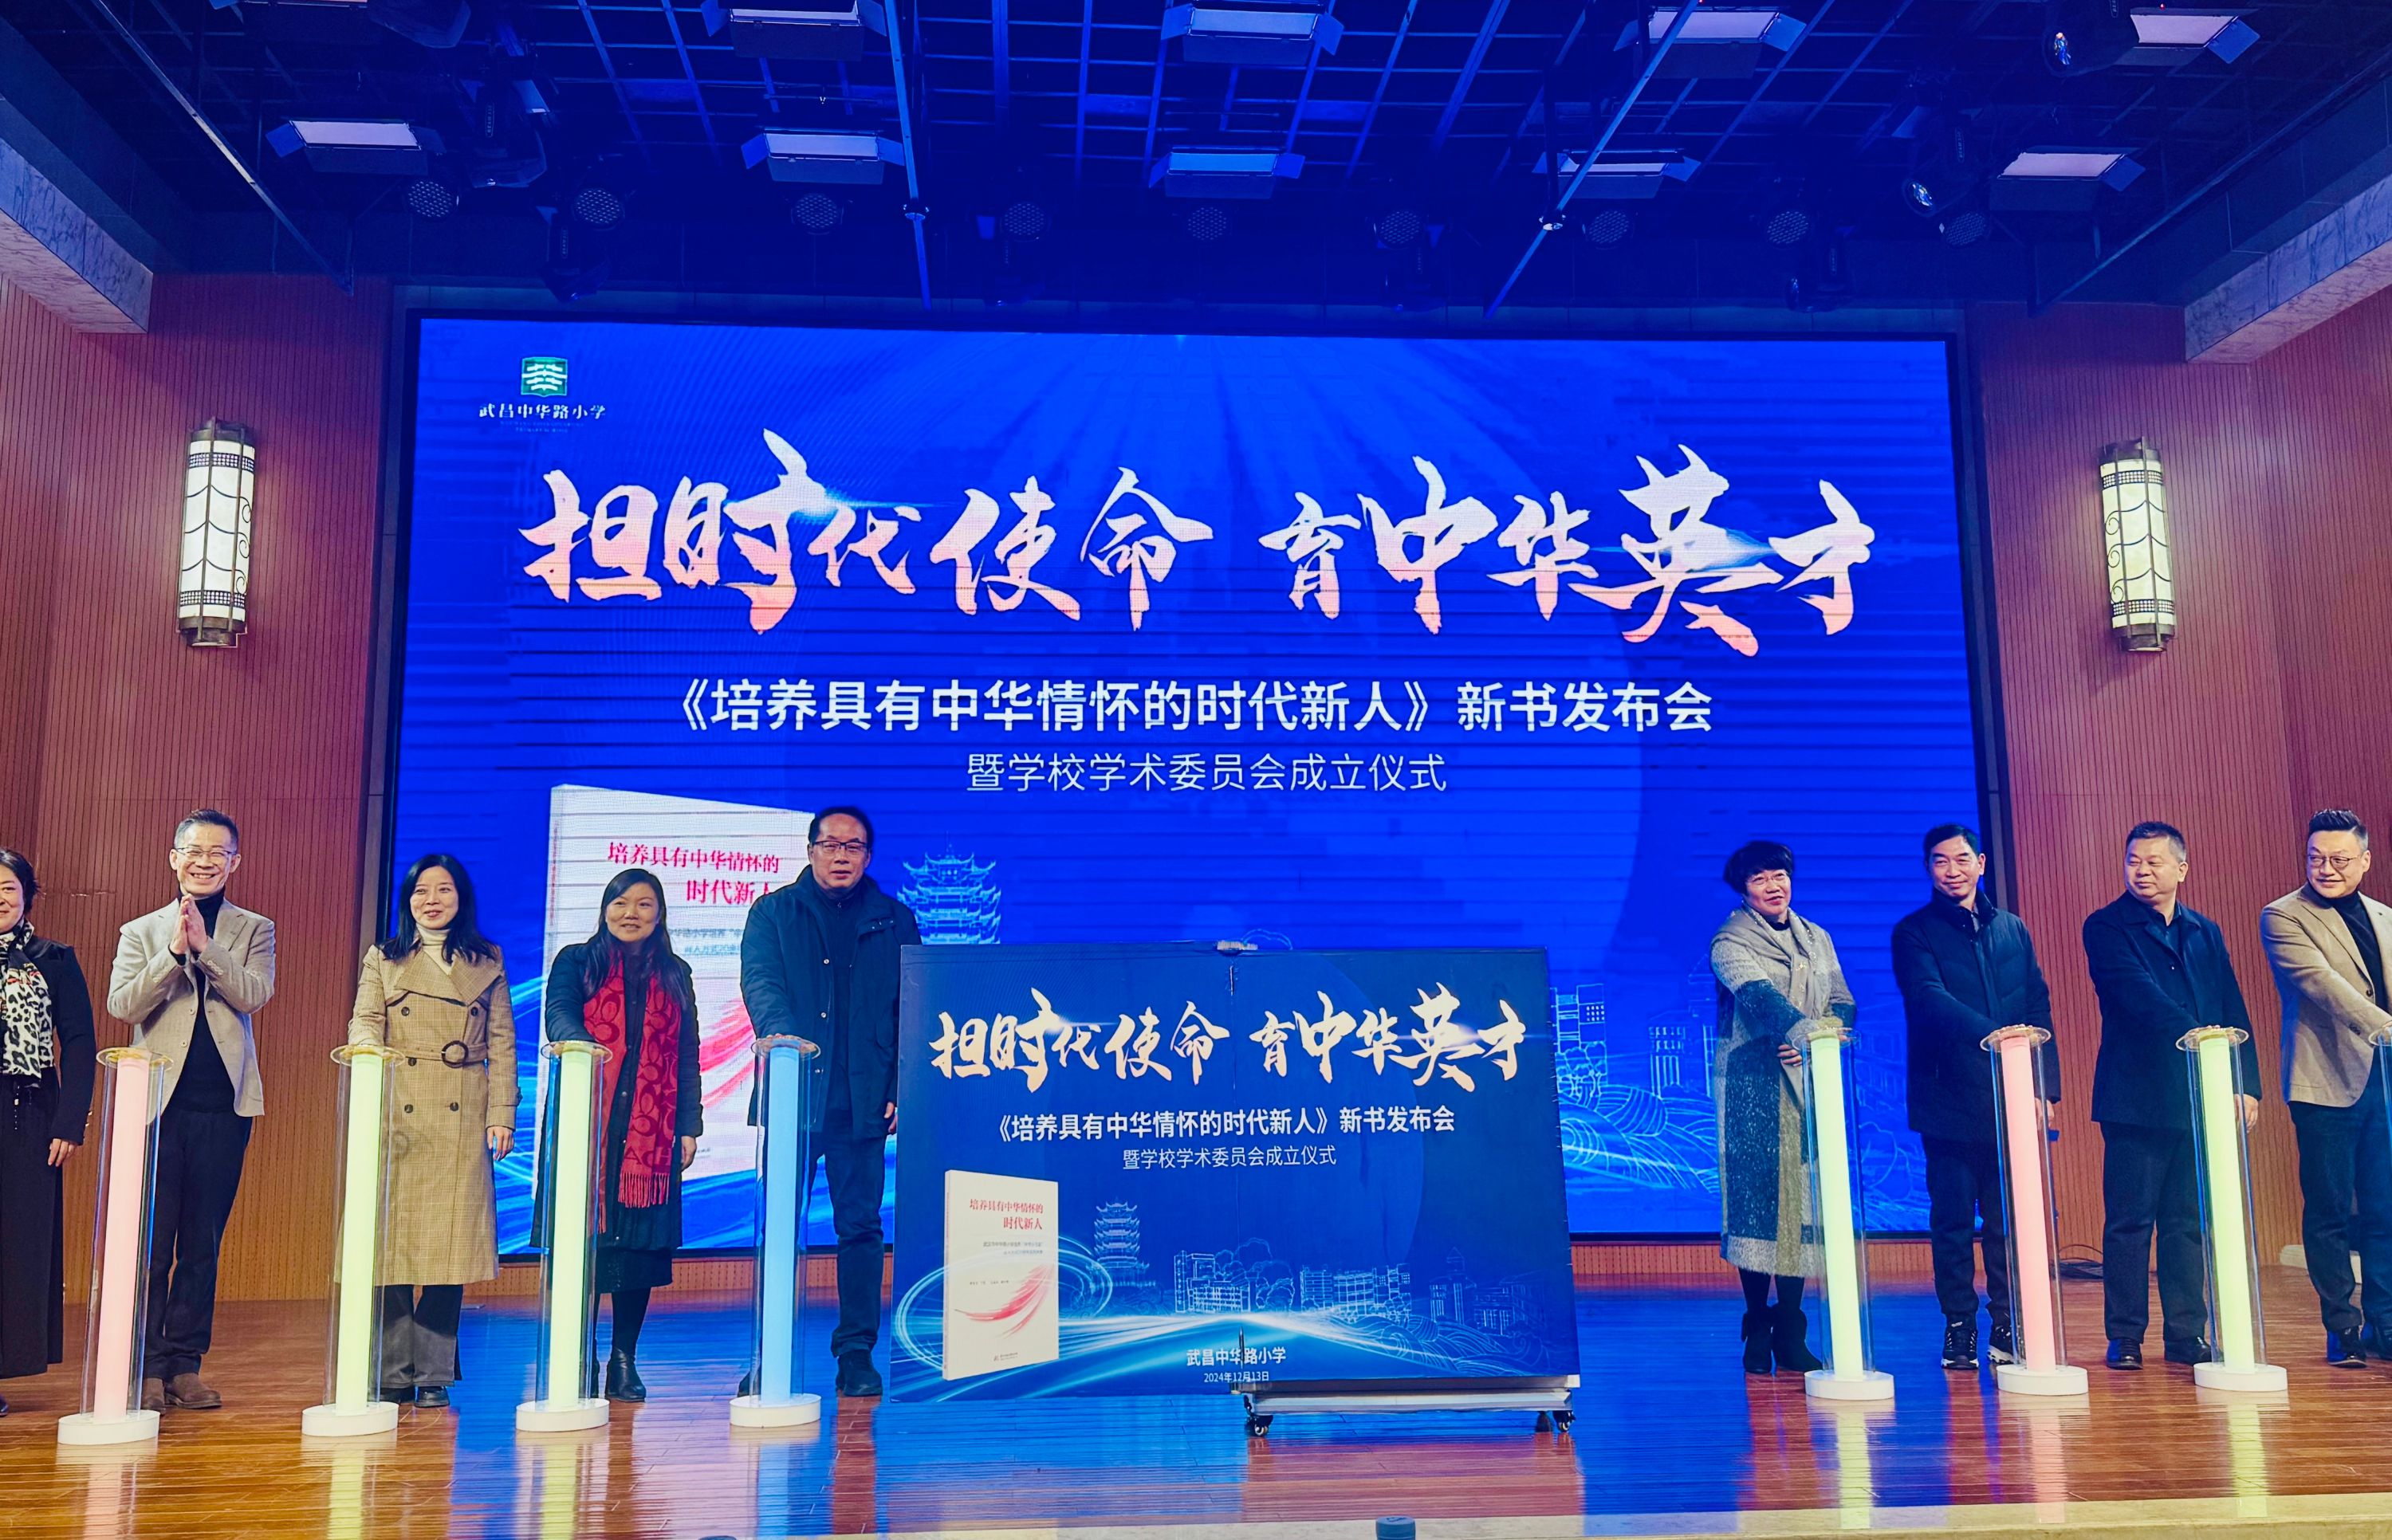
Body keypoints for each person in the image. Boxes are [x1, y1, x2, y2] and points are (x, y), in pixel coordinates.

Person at [740, 806, 921, 1398]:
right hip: (794, 1096)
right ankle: (768, 1354)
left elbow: (911, 1009)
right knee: (778, 1228)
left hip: (863, 1102)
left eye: (854, 846)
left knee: (861, 1229)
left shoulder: (895, 920)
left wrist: (898, 1088)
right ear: (811, 849)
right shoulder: (773, 913)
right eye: (831, 844)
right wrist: (783, 1042)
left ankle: (856, 1354)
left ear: (869, 856)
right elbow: (760, 983)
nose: (841, 855)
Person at [105, 809, 275, 1413]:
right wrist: (174, 953)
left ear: (235, 862)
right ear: (174, 858)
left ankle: (185, 1365)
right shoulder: (140, 930)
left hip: (224, 1107)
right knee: (153, 1245)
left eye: (217, 853)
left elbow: (254, 994)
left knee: (202, 1244)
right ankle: (147, 1368)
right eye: (194, 851)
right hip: (157, 1107)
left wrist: (207, 950)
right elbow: (124, 1005)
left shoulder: (255, 928)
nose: (205, 862)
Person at [2084, 819, 2260, 1371]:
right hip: (2135, 1099)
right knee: (2130, 1223)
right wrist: (2199, 1035)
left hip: (2196, 1096)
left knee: (2186, 1223)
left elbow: (2231, 1005)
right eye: (2133, 860)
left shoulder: (2204, 930)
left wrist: (2244, 1083)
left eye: (2154, 861)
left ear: (2182, 868)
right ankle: (2125, 1337)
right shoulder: (2106, 926)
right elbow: (2136, 994)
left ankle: (2187, 1334)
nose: (2141, 871)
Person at [347, 854, 517, 1408]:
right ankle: (394, 1371)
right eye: (422, 891)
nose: (432, 900)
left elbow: (503, 1042)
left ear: (461, 898)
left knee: (450, 1249)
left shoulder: (487, 959)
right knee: (392, 1247)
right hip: (398, 1111)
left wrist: (502, 1113)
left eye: (444, 890)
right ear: (409, 900)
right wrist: (365, 1052)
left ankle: (435, 1372)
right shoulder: (384, 957)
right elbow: (366, 1019)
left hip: (462, 1109)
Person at [1892, 823, 2060, 1373]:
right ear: (1929, 869)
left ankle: (2008, 1322)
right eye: (1940, 861)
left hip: (2010, 1096)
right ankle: (1959, 1325)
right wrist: (1998, 1035)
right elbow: (1927, 1000)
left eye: (1961, 859)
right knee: (1952, 1222)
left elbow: (2037, 1003)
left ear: (1981, 863)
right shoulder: (1913, 932)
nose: (1952, 870)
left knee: (2007, 1221)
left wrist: (2044, 1086)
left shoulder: (2012, 928)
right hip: (1946, 1099)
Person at [545, 868, 702, 1404]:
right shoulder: (577, 962)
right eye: (620, 902)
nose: (630, 913)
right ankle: (578, 1355)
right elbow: (558, 1015)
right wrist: (584, 1048)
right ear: (605, 908)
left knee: (636, 1253)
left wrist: (689, 1125)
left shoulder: (675, 974)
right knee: (582, 1245)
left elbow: (686, 1055)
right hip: (587, 1127)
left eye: (644, 904)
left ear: (660, 915)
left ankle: (623, 1360)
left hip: (649, 1138)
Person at [1709, 839, 1851, 1377]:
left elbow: (1843, 1000)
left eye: (1780, 875)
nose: (1774, 886)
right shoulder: (1729, 941)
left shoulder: (1817, 937)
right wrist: (1805, 1033)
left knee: (1802, 1206)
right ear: (1744, 890)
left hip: (1810, 1082)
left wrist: (1823, 1036)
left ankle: (1792, 1325)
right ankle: (1757, 1323)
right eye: (1760, 879)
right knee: (1758, 1205)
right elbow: (1760, 999)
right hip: (1753, 1086)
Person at [2260, 809, 2392, 1366]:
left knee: (2385, 1211)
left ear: (2365, 860)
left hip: (2383, 1084)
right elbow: (2323, 984)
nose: (2326, 868)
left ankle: (2386, 1324)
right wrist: (2386, 1027)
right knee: (2331, 1210)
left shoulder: (2384, 916)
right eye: (2316, 858)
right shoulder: (2283, 915)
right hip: (2324, 1084)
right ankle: (2343, 1326)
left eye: (2339, 859)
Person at [0, 849, 96, 1416]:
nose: (1, 897)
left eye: (9, 887)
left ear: (28, 896)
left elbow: (79, 1041)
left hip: (28, 1114)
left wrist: (70, 1122)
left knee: (17, 1243)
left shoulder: (54, 959)